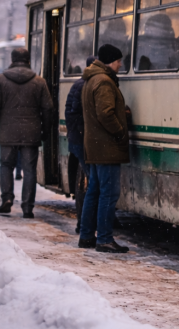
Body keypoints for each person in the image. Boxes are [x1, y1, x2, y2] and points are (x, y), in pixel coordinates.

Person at [0, 48, 53, 218]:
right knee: (29, 169)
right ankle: (27, 206)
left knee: (6, 165)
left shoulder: (1, 80)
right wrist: (45, 130)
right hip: (31, 131)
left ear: (12, 59)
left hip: (8, 131)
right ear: (28, 60)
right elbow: (47, 108)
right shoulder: (39, 81)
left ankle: (7, 198)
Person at [79, 44, 130, 253]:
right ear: (111, 61)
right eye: (118, 61)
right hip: (106, 146)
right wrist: (119, 131)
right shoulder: (104, 82)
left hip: (95, 145)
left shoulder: (92, 79)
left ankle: (87, 236)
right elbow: (105, 113)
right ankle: (105, 239)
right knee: (108, 194)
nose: (120, 65)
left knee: (94, 191)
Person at [66, 55, 97, 234]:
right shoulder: (83, 85)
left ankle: (84, 225)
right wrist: (84, 134)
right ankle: (84, 225)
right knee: (91, 184)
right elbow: (76, 114)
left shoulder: (80, 84)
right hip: (82, 141)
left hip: (78, 140)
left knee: (89, 183)